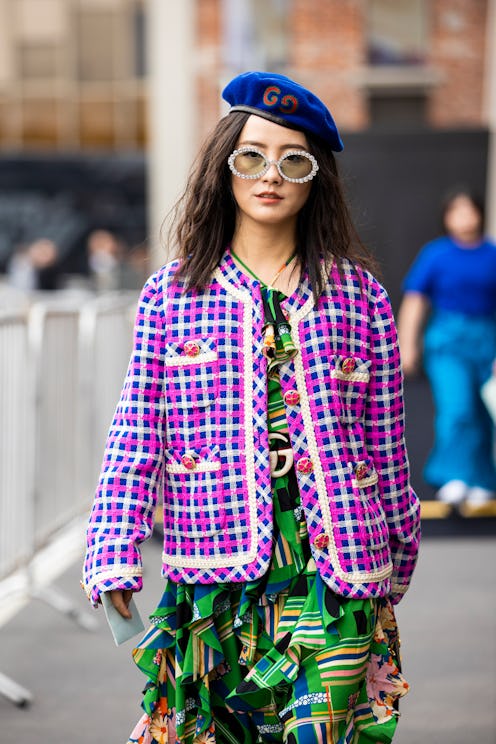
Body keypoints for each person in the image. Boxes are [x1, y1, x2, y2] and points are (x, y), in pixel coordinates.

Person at [82, 71, 421, 744]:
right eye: (251, 157)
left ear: (314, 177)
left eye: (292, 161)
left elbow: (386, 443)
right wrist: (113, 550)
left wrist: (398, 557)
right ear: (223, 169)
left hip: (337, 574)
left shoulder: (360, 297)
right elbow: (136, 430)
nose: (270, 175)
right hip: (212, 572)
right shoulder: (172, 294)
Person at [398, 188, 496, 507]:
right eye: (456, 211)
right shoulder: (436, 254)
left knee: (485, 413)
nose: (464, 218)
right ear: (446, 218)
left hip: (487, 340)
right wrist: (406, 345)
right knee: (458, 407)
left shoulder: (491, 253)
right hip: (448, 341)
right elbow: (415, 301)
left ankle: (481, 478)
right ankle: (453, 475)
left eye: (469, 210)